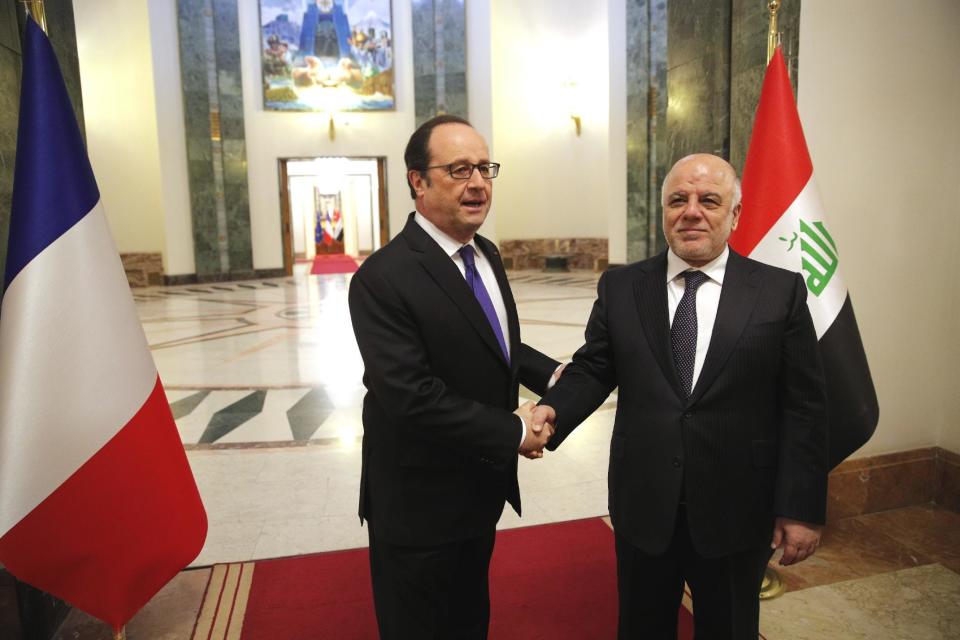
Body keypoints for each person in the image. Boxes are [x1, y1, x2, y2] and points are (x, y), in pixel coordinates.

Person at [532, 153, 828, 639]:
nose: (691, 211)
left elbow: (805, 408)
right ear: (664, 212)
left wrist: (800, 507)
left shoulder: (780, 292)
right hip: (643, 502)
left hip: (738, 508)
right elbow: (594, 368)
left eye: (709, 200)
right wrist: (552, 410)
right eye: (678, 200)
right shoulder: (623, 286)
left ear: (734, 215)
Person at [348, 114, 560, 639]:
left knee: (468, 620)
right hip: (418, 502)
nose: (478, 183)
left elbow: (492, 342)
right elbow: (410, 396)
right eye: (459, 169)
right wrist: (514, 431)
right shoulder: (383, 277)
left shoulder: (484, 252)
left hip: (477, 487)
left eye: (485, 168)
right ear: (417, 181)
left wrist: (554, 372)